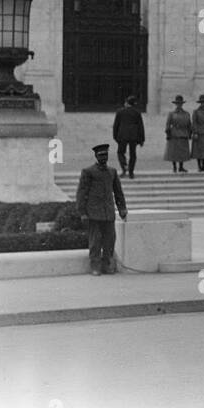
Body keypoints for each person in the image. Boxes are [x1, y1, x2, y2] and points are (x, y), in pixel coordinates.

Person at [74, 143, 127, 276]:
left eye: (106, 155)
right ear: (96, 156)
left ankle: (107, 265)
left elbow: (118, 192)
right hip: (93, 213)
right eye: (101, 155)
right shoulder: (88, 172)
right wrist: (82, 212)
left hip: (108, 212)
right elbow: (82, 193)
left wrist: (122, 208)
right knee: (95, 241)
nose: (104, 158)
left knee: (110, 240)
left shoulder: (112, 172)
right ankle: (95, 266)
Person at [112, 95, 145, 178]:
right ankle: (131, 172)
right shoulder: (137, 113)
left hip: (122, 135)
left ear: (126, 103)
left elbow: (116, 125)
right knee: (133, 154)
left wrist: (115, 136)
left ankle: (124, 167)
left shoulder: (120, 112)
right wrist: (141, 139)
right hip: (133, 136)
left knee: (120, 152)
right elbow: (141, 126)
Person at [164, 95, 192, 173]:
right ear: (175, 104)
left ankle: (181, 166)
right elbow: (168, 124)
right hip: (174, 134)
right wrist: (168, 133)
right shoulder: (172, 113)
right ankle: (174, 167)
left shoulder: (186, 114)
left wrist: (190, 133)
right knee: (174, 152)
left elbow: (189, 124)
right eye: (177, 103)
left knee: (182, 152)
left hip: (183, 134)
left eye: (180, 103)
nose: (179, 105)